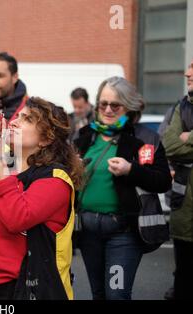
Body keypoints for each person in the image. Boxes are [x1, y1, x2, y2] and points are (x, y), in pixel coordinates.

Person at [0, 97, 83, 300]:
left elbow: (17, 218)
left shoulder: (55, 179)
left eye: (27, 119)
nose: (15, 121)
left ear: (46, 139)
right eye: (18, 115)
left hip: (29, 290)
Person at [74, 76, 172, 300]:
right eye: (103, 104)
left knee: (116, 295)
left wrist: (131, 170)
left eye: (115, 105)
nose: (108, 110)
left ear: (128, 106)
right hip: (88, 232)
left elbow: (163, 180)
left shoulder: (145, 138)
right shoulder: (84, 136)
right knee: (98, 294)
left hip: (124, 233)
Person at [160, 58, 193, 300]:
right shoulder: (182, 106)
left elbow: (180, 143)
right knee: (183, 274)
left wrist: (188, 137)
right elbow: (169, 144)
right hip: (184, 208)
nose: (186, 73)